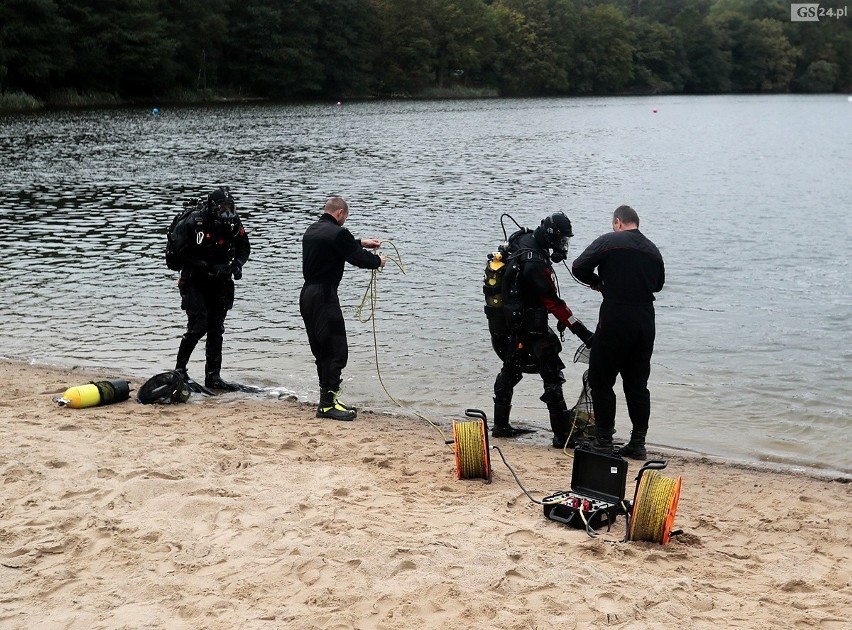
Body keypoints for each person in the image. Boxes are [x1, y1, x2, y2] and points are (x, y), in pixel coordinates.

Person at [490, 212, 595, 448]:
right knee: (552, 376)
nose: (563, 246)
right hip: (530, 325)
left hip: (511, 321)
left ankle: (501, 426)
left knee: (510, 370)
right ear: (550, 236)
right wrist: (584, 333)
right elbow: (554, 303)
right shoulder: (536, 263)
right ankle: (561, 437)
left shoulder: (523, 239)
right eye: (562, 240)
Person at [571, 205, 665, 460]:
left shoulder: (609, 241)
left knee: (601, 380)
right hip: (645, 321)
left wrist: (598, 283)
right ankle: (638, 443)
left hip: (615, 317)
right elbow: (658, 285)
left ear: (618, 221)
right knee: (637, 384)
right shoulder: (653, 249)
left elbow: (578, 266)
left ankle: (603, 441)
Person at [300, 196, 386, 421]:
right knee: (337, 351)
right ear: (339, 214)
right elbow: (358, 259)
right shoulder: (338, 233)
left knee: (322, 351)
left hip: (307, 295)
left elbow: (336, 247)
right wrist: (378, 262)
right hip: (325, 296)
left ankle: (327, 400)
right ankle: (327, 406)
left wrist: (361, 242)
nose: (345, 220)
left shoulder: (312, 231)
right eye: (345, 217)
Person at [172, 186, 251, 391]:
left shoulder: (233, 222)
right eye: (222, 209)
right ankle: (180, 370)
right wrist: (208, 267)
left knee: (216, 328)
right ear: (211, 207)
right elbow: (182, 256)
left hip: (220, 281)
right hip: (194, 281)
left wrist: (237, 265)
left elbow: (244, 246)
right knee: (198, 326)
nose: (227, 214)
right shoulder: (194, 222)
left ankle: (213, 376)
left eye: (230, 209)